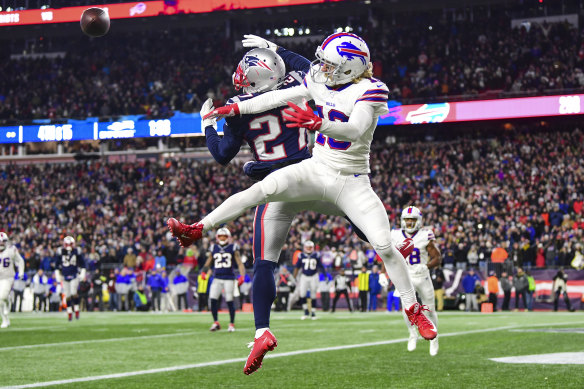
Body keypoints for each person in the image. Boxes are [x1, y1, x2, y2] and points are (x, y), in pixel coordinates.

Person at [168, 32, 435, 374]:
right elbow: (273, 97)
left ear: (347, 69)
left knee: (382, 243)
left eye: (329, 63)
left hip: (351, 182)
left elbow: (355, 130)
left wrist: (317, 122)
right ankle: (198, 228)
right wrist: (233, 107)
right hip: (313, 168)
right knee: (260, 191)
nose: (321, 67)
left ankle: (413, 309)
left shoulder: (370, 90)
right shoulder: (317, 80)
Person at [197, 43, 370, 366]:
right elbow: (304, 63)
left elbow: (222, 154)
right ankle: (395, 245)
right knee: (359, 211)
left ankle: (262, 330)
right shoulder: (300, 81)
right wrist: (275, 48)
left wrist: (207, 126)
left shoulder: (240, 107)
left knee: (264, 263)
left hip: (277, 185)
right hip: (316, 173)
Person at [391, 206, 442, 356]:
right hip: (405, 276)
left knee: (430, 309)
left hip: (422, 276)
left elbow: (438, 258)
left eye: (412, 219)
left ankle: (434, 338)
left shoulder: (425, 235)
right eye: (407, 219)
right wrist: (383, 273)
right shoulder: (394, 234)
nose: (409, 222)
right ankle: (412, 333)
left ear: (418, 221)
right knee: (407, 310)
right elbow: (388, 255)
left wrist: (425, 266)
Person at [201, 227, 246, 332]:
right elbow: (209, 261)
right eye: (220, 236)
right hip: (217, 277)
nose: (222, 238)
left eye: (224, 236)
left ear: (228, 237)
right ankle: (216, 322)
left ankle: (231, 323)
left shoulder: (233, 247)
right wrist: (203, 271)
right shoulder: (213, 248)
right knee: (212, 299)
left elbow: (239, 262)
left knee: (230, 300)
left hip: (229, 278)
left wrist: (242, 275)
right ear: (217, 237)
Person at [55, 236, 86, 321]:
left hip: (74, 275)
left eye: (70, 244)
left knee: (73, 292)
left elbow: (83, 264)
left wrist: (82, 273)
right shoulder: (60, 251)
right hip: (64, 276)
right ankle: (69, 312)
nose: (68, 246)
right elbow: (57, 265)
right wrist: (57, 274)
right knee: (67, 295)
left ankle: (76, 309)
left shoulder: (77, 251)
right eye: (67, 244)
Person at [293, 240, 323, 320]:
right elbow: (297, 267)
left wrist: (325, 275)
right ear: (304, 247)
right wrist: (294, 277)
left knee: (313, 294)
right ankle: (306, 311)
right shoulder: (301, 255)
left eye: (310, 247)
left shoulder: (316, 255)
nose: (309, 249)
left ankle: (313, 312)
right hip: (304, 276)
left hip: (314, 276)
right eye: (308, 247)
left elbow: (321, 266)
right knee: (302, 294)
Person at [0, 232, 25, 328]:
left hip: (8, 277)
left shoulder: (11, 250)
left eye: (3, 242)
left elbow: (20, 260)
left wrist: (21, 272)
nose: (2, 244)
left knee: (1, 298)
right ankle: (5, 319)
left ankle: (5, 317)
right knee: (1, 300)